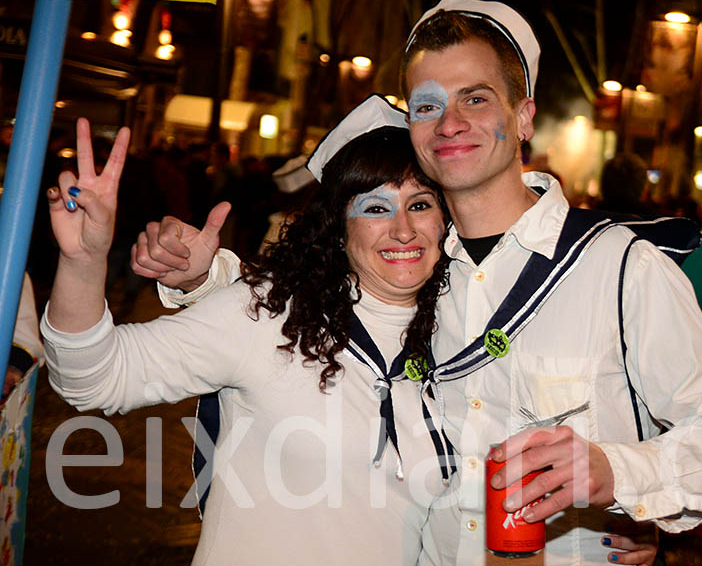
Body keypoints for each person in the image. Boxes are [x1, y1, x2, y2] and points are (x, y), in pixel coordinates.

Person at [133, 0, 702, 566]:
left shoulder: (617, 270)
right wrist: (202, 274)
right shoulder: (404, 265)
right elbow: (297, 308)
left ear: (524, 118)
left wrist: (621, 476)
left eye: (476, 97)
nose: (450, 122)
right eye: (427, 103)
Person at [41, 100, 457, 565]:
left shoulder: (460, 341)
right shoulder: (270, 315)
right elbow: (92, 378)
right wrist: (82, 263)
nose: (403, 230)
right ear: (340, 228)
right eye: (376, 207)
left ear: (445, 220)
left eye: (420, 204)